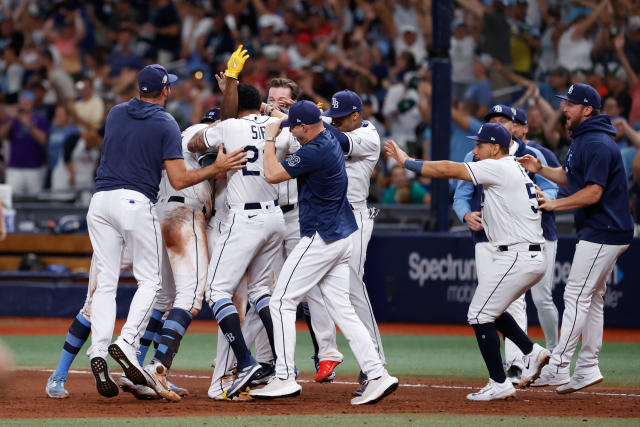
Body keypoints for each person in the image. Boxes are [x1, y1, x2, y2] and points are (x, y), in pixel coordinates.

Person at [85, 63, 246, 399]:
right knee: (178, 293)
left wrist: (227, 91)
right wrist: (216, 166)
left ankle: (102, 353)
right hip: (169, 210)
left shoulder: (116, 113)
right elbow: (185, 171)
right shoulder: (173, 126)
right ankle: (136, 353)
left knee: (124, 288)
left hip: (102, 202)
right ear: (165, 90)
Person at [387, 123, 551, 401]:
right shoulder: (514, 166)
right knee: (492, 310)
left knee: (479, 314)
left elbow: (446, 169)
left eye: (480, 145)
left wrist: (406, 161)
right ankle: (532, 352)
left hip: (518, 254)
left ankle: (500, 382)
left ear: (495, 148)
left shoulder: (497, 166)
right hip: (526, 253)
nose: (474, 150)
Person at [251, 100, 398, 405]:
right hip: (342, 235)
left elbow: (271, 174)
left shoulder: (314, 150)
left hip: (322, 236)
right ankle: (377, 373)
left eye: (295, 127)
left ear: (306, 127)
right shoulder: (328, 135)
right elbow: (308, 122)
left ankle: (283, 377)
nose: (292, 131)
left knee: (280, 301)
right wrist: (273, 111)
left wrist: (268, 137)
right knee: (342, 308)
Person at [519, 83, 633, 393]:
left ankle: (558, 366)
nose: (564, 109)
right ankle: (587, 367)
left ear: (586, 109)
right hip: (607, 229)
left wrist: (556, 204)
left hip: (604, 230)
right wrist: (542, 168)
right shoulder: (585, 138)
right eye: (564, 102)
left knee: (576, 295)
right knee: (592, 298)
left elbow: (593, 192)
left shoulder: (596, 142)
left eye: (570, 104)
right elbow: (573, 178)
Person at [196, 82, 294, 399]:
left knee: (216, 290)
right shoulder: (278, 125)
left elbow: (199, 142)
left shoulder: (230, 125)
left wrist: (226, 104)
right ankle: (282, 360)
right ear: (260, 104)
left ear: (235, 105)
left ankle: (246, 360)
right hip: (275, 217)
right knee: (261, 291)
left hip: (244, 217)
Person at [454, 104, 558, 385]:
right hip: (485, 239)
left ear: (516, 126)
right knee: (491, 304)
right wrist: (464, 213)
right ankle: (530, 354)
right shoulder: (475, 154)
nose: (498, 123)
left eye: (504, 120)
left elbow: (553, 186)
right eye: (493, 120)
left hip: (519, 239)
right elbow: (460, 194)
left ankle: (515, 365)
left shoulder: (530, 155)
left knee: (513, 303)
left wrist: (542, 195)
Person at [319, 90, 386, 392]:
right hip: (329, 217)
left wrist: (310, 121)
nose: (337, 122)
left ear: (357, 115)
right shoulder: (331, 123)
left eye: (342, 117)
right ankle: (327, 352)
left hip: (356, 217)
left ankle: (375, 363)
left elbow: (338, 140)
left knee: (352, 286)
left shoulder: (369, 134)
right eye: (334, 117)